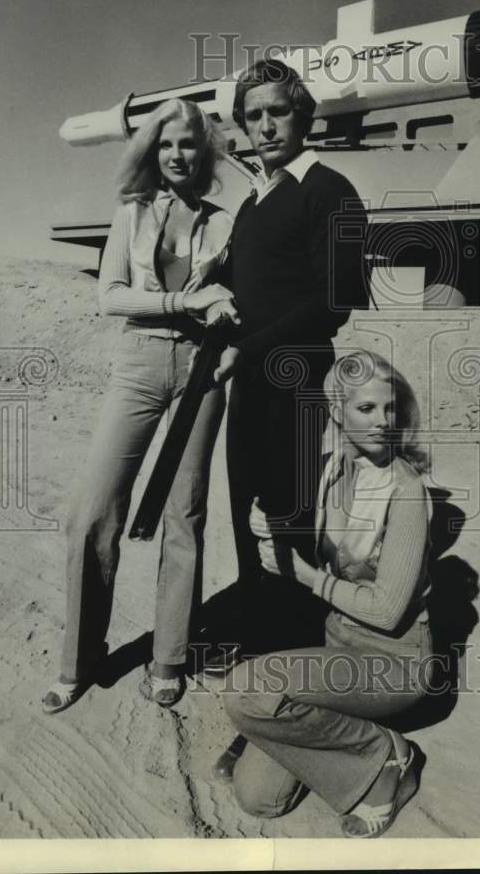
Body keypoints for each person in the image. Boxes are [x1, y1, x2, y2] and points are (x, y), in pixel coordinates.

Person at [42, 98, 235, 713]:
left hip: (203, 373)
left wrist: (231, 337)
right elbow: (112, 297)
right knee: (93, 510)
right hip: (140, 367)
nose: (179, 155)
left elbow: (238, 300)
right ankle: (78, 661)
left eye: (189, 145)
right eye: (167, 144)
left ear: (205, 153)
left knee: (186, 516)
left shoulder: (224, 221)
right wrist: (186, 302)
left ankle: (169, 657)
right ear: (152, 151)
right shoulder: (131, 214)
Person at [220, 349, 434, 838]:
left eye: (390, 407)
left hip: (393, 663)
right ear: (337, 411)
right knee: (259, 798)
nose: (383, 421)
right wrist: (268, 531)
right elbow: (309, 546)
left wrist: (307, 577)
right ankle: (356, 743)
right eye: (367, 409)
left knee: (245, 690)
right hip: (337, 647)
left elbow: (386, 610)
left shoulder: (406, 491)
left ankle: (389, 758)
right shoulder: (329, 469)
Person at [207, 58, 370, 663]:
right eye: (254, 116)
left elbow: (336, 302)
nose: (267, 125)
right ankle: (259, 640)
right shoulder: (253, 204)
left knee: (294, 517)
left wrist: (245, 349)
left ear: (303, 115)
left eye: (278, 111)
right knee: (247, 510)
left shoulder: (330, 190)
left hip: (298, 378)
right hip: (246, 378)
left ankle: (298, 662)